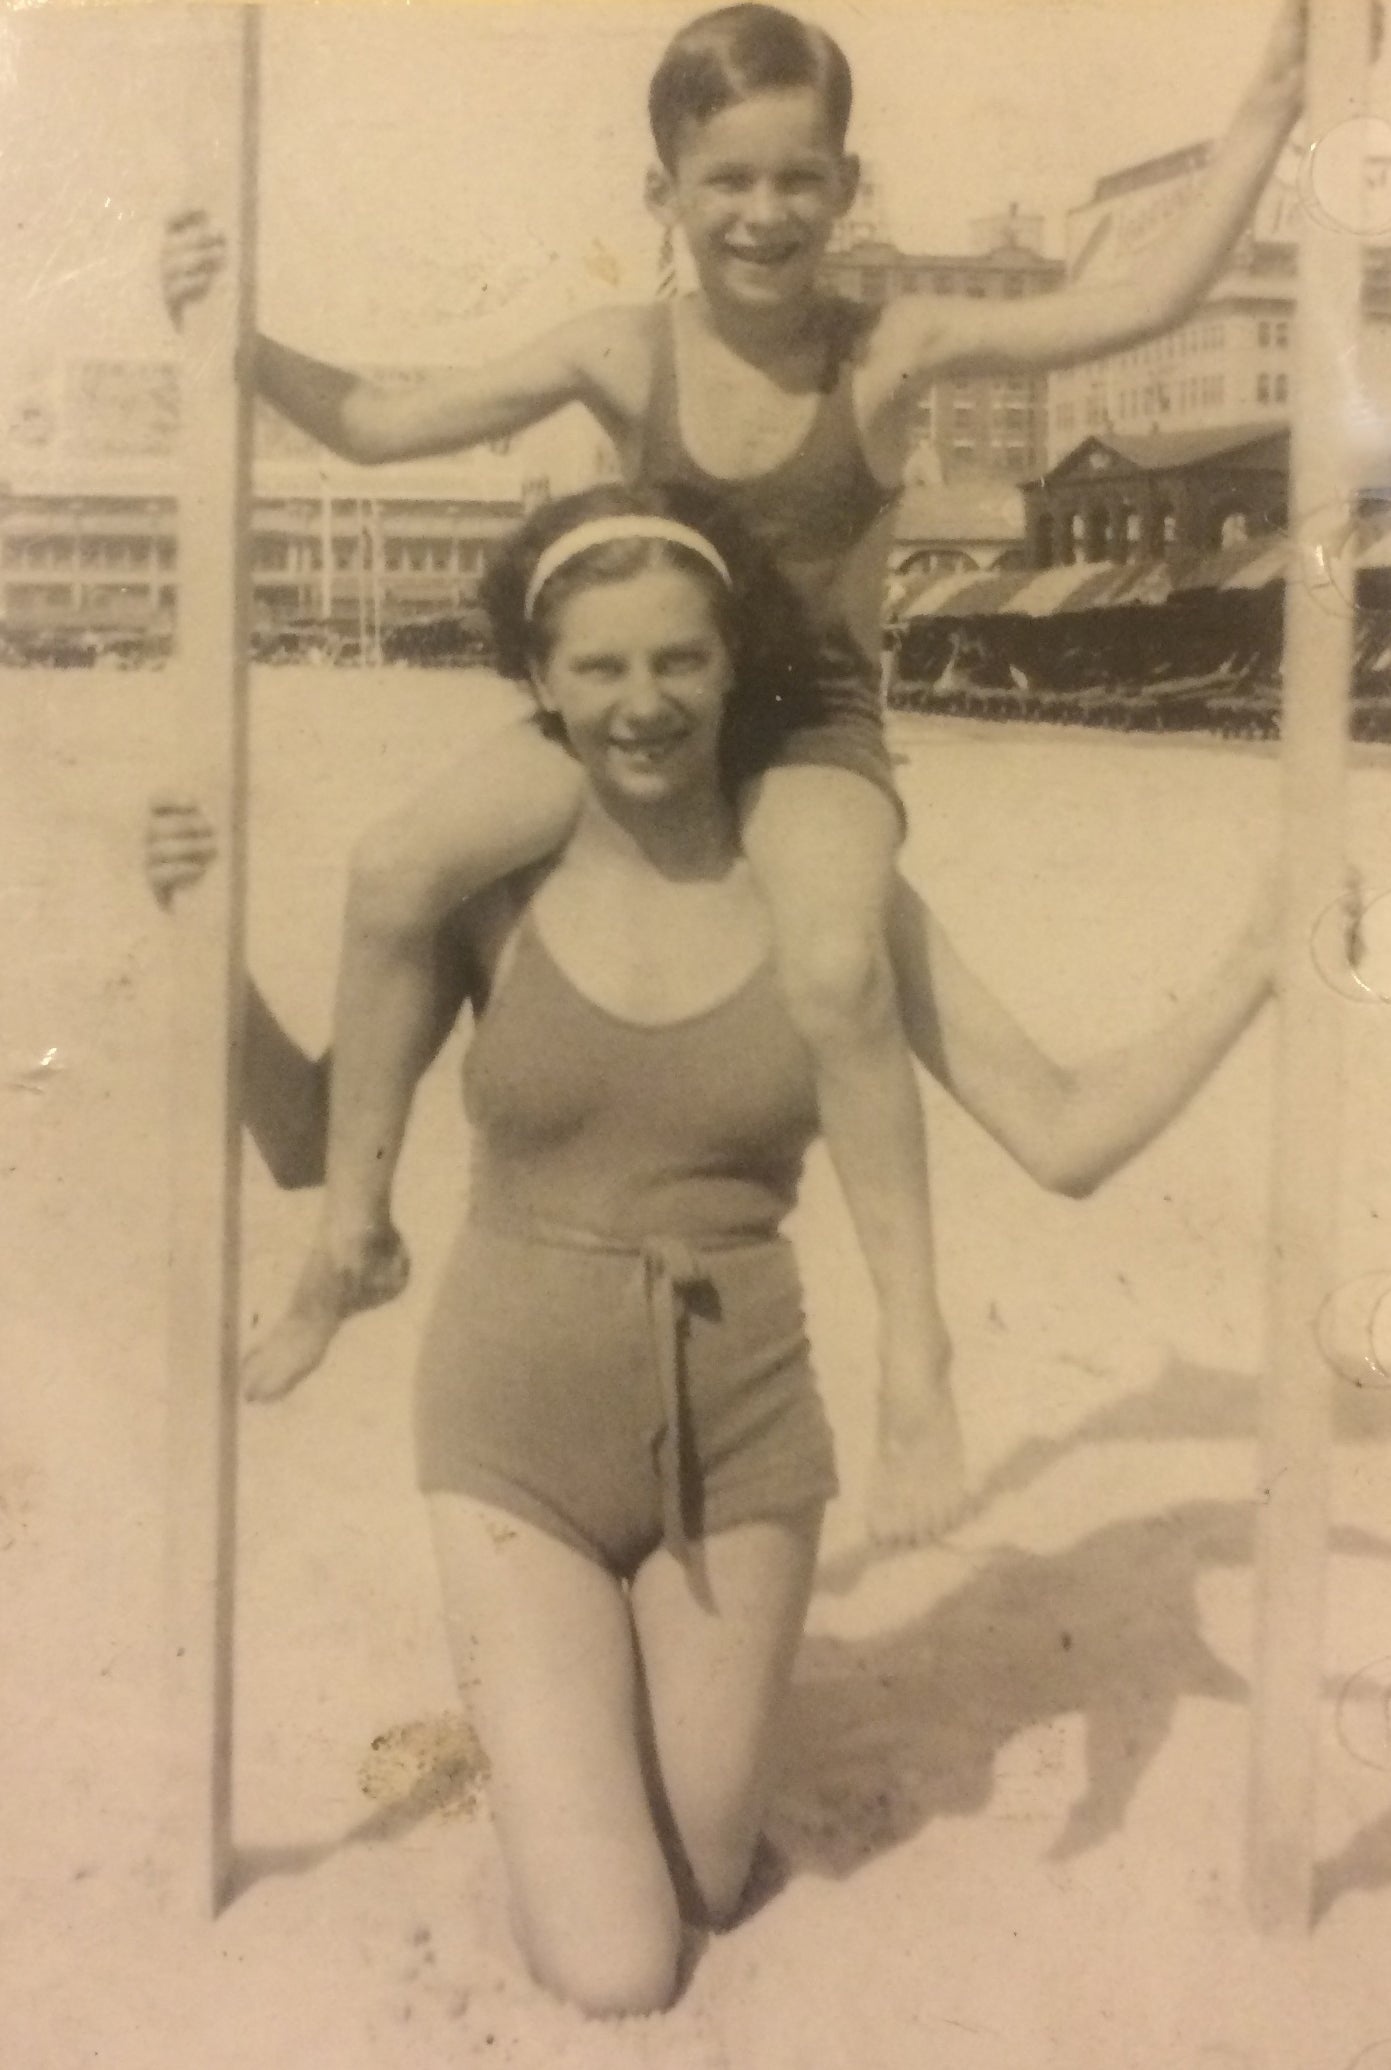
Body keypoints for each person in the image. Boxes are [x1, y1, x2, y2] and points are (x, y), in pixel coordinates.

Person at [161, 1, 1306, 1511]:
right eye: (728, 182)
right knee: (394, 866)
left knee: (835, 967)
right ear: (666, 194)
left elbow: (1150, 301)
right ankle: (348, 1235)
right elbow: (378, 423)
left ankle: (918, 1350)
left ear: (848, 186)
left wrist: (1267, 115)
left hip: (805, 731)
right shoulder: (622, 353)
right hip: (637, 711)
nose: (763, 216)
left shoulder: (894, 349)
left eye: (798, 180)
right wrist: (229, 342)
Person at [152, 485, 1276, 2016]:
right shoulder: (487, 895)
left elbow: (1065, 1133)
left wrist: (1262, 958)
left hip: (745, 1441)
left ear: (734, 662)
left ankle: (582, 1729)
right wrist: (195, 938)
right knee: (617, 1962)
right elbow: (304, 1134)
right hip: (512, 1441)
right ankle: (545, 1702)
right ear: (540, 683)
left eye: (677, 661)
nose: (643, 704)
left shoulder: (833, 893)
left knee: (704, 1880)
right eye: (599, 669)